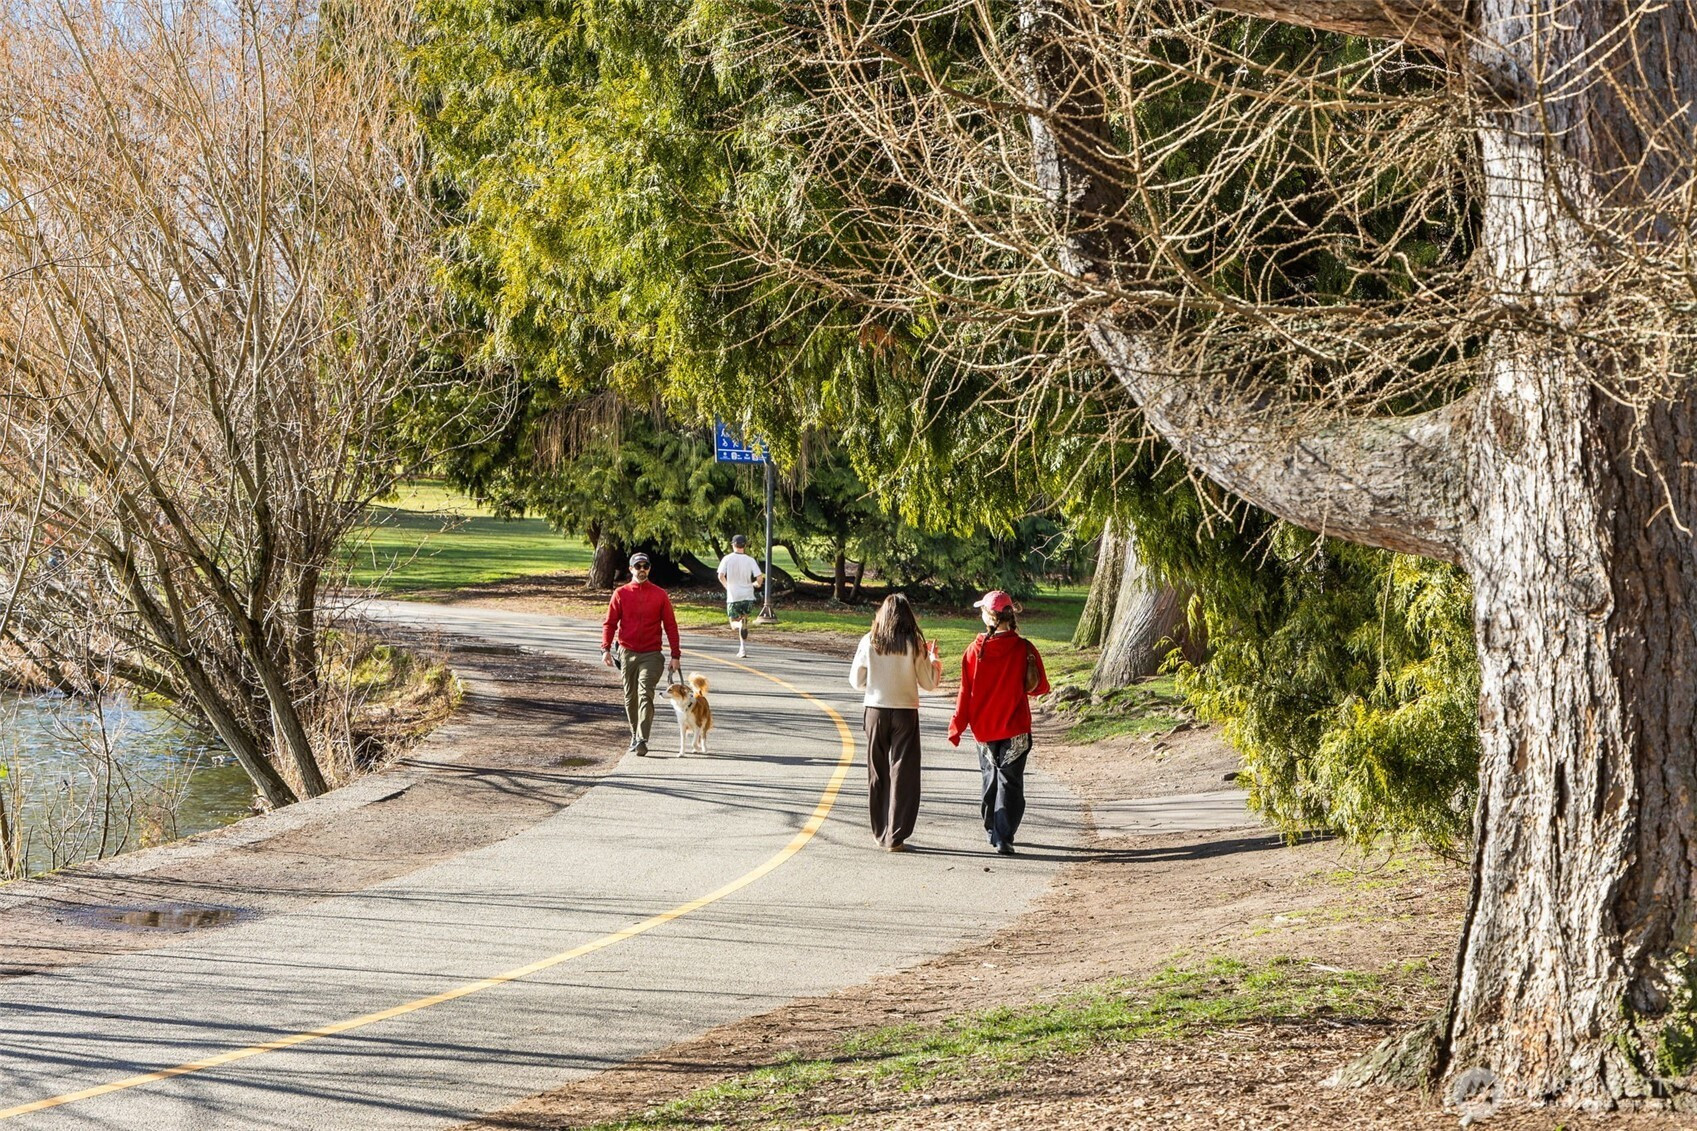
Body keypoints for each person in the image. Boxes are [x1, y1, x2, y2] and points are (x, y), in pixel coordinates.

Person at [948, 590, 1050, 855]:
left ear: (988, 616)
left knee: (990, 777)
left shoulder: (974, 651)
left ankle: (992, 828)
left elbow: (965, 692)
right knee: (1010, 781)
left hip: (984, 729)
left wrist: (957, 726)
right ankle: (1004, 836)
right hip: (1016, 728)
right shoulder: (1024, 648)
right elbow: (1041, 687)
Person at [849, 594, 943, 851]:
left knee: (877, 771)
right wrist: (934, 660)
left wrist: (875, 680)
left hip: (875, 710)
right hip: (905, 711)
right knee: (904, 772)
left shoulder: (870, 640)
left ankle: (879, 830)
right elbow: (929, 683)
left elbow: (856, 681)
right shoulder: (914, 643)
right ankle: (896, 835)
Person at [601, 552, 682, 757]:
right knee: (631, 697)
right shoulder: (620, 593)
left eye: (645, 566)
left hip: (652, 654)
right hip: (627, 652)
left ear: (650, 568)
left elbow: (670, 626)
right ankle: (634, 734)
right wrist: (606, 648)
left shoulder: (660, 594)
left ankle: (642, 739)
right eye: (638, 566)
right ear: (631, 569)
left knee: (646, 693)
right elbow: (610, 623)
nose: (642, 570)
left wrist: (675, 655)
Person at [716, 534, 765, 658]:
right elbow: (759, 578)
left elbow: (721, 576)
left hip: (734, 595)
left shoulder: (727, 559)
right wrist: (756, 584)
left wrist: (728, 587)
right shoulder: (750, 560)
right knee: (744, 619)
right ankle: (742, 649)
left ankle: (739, 626)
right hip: (747, 595)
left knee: (733, 623)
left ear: (733, 545)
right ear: (745, 545)